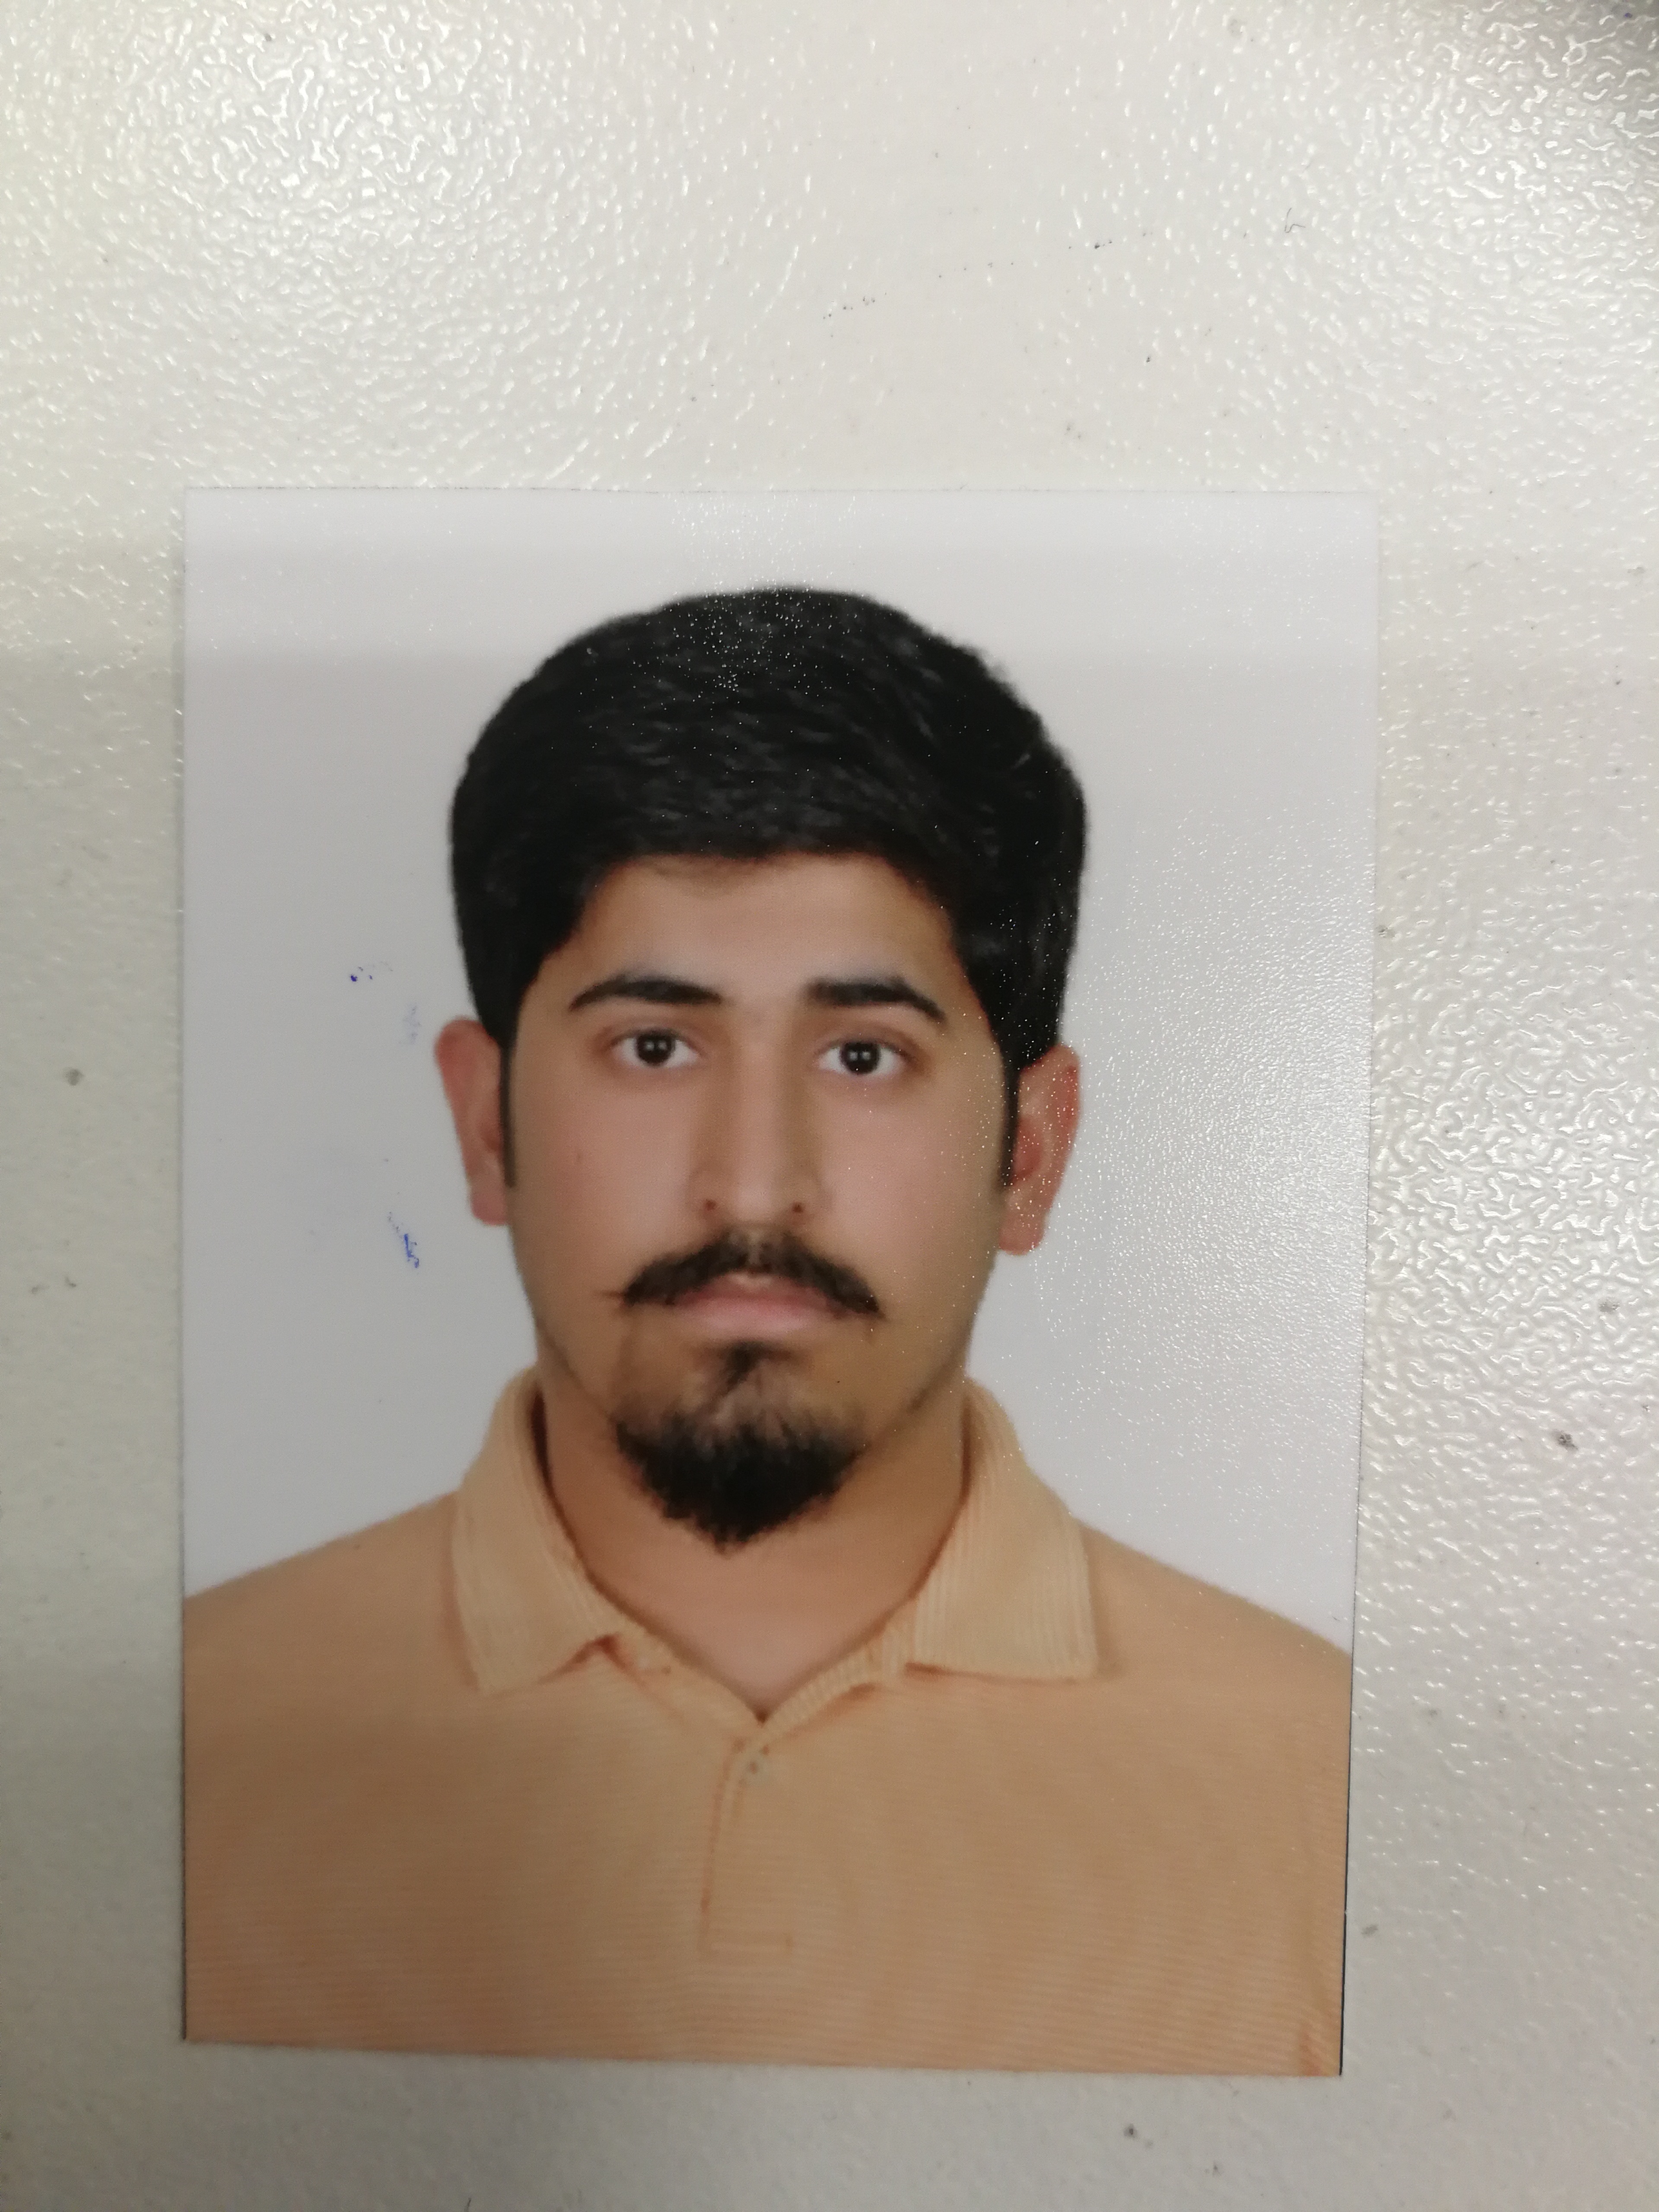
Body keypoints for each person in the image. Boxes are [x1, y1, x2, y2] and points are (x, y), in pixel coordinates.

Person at [184, 587, 1351, 2073]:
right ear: (486, 1126)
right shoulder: (178, 1740)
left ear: (1031, 1151)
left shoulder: (1331, 1783)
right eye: (654, 1045)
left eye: (864, 1056)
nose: (750, 1184)